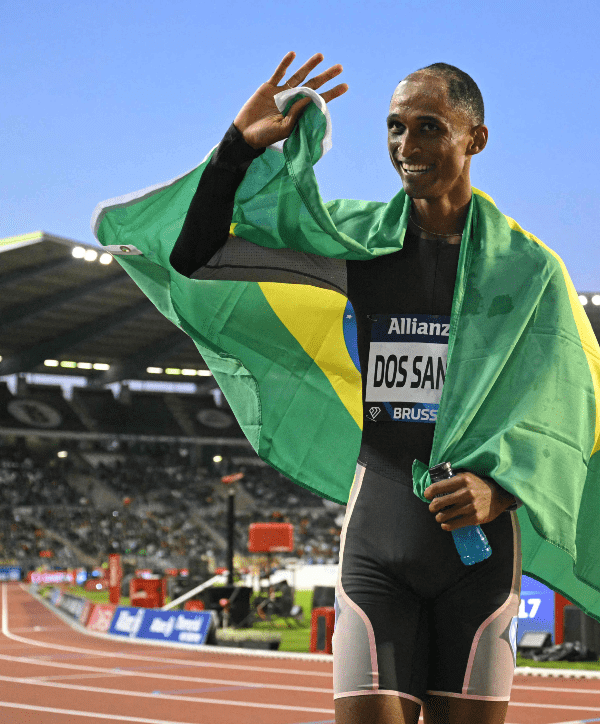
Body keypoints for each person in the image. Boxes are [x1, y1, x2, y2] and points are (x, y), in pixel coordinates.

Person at [166, 54, 520, 724]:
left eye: (428, 127)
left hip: (479, 554)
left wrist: (501, 489)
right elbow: (197, 256)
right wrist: (237, 148)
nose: (405, 146)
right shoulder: (358, 245)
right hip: (378, 538)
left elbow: (559, 413)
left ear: (475, 137)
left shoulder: (526, 274)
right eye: (393, 128)